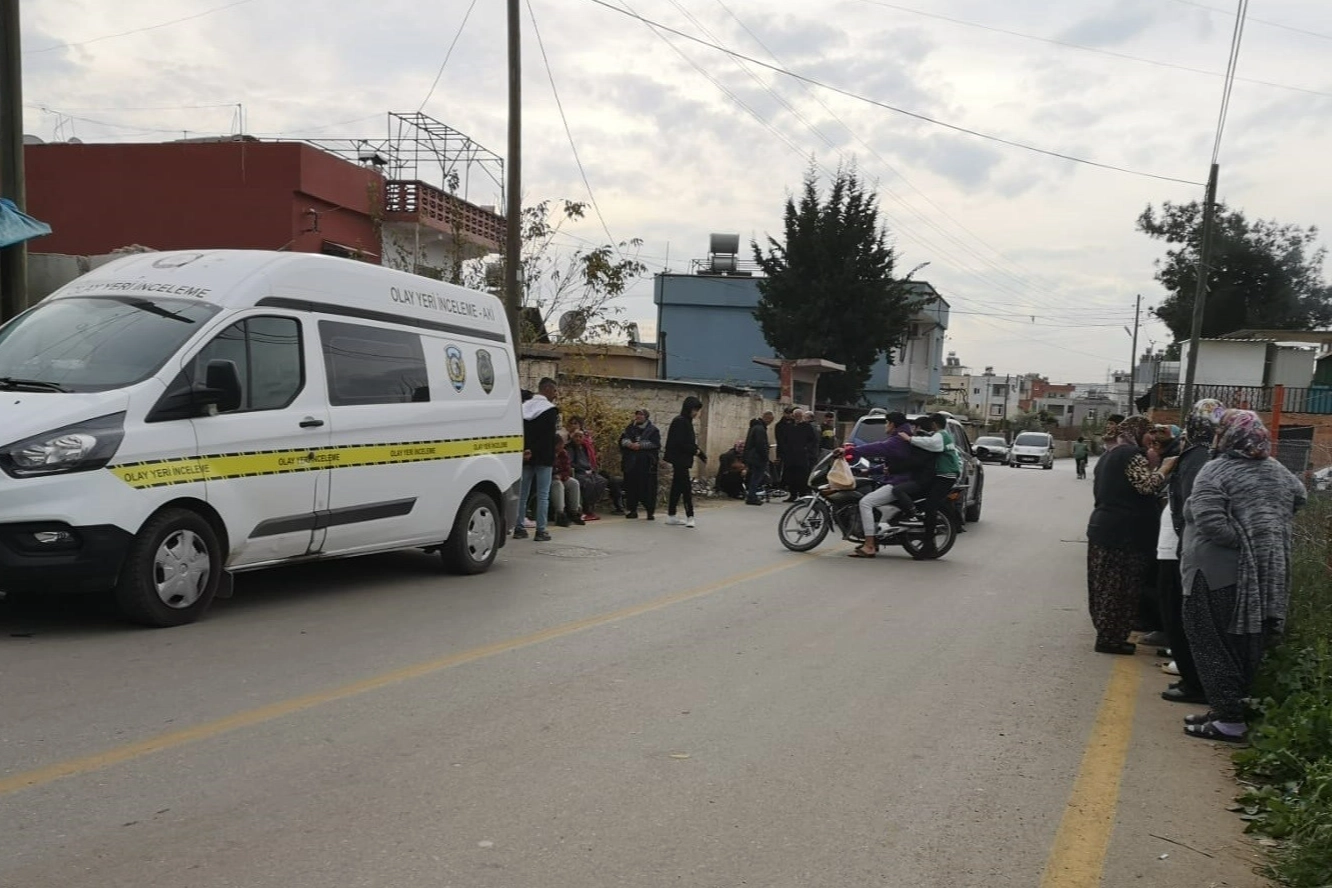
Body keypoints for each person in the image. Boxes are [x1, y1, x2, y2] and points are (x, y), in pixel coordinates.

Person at [1181, 410, 1306, 743]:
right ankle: (1226, 709)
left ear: (1228, 435)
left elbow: (1210, 522)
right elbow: (1300, 495)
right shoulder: (1277, 470)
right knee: (1244, 641)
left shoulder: (1216, 469)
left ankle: (1229, 719)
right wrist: (1265, 531)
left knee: (1211, 641)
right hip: (1265, 572)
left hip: (1216, 572)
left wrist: (1244, 539)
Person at [1158, 398, 1225, 705]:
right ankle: (1192, 679)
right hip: (1184, 546)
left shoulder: (1198, 456)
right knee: (1180, 616)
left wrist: (1185, 541)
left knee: (1183, 617)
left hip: (1185, 549)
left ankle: (1194, 683)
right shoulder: (1203, 454)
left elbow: (1189, 505)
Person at [1085, 415, 1169, 654]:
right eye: (1149, 432)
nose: (1153, 438)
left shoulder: (1109, 455)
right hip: (1124, 535)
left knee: (1104, 587)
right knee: (1120, 588)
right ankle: (1111, 639)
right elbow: (1146, 486)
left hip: (1103, 529)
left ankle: (1107, 634)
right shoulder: (1131, 454)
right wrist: (1164, 469)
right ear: (1137, 431)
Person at [839, 411, 916, 558]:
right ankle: (875, 539)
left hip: (898, 482)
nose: (885, 426)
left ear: (892, 424)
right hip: (898, 479)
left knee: (865, 502)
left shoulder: (897, 440)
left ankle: (869, 545)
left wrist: (850, 450)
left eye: (886, 423)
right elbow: (891, 464)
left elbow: (877, 447)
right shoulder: (902, 437)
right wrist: (869, 471)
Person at [905, 413, 962, 556]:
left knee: (931, 506)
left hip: (946, 476)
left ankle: (929, 543)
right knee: (926, 501)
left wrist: (910, 439)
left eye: (931, 423)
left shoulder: (941, 435)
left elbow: (931, 445)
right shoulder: (941, 435)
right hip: (943, 475)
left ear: (935, 424)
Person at [516, 378, 560, 542]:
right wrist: (534, 450)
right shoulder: (550, 410)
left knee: (522, 494)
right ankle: (541, 530)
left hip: (525, 456)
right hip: (543, 457)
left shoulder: (523, 407)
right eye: (554, 391)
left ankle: (519, 528)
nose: (555, 395)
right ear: (547, 389)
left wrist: (526, 449)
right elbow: (547, 437)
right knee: (543, 495)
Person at [664, 396, 706, 527]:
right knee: (686, 488)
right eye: (695, 410)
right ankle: (690, 516)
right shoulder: (681, 422)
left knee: (677, 488)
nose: (696, 413)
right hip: (680, 460)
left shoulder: (685, 421)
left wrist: (697, 451)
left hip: (681, 460)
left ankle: (671, 515)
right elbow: (683, 443)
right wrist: (698, 452)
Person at [565, 416, 609, 520]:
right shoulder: (570, 447)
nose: (578, 439)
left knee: (601, 481)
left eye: (580, 437)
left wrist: (591, 469)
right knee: (588, 483)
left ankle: (591, 505)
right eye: (576, 437)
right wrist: (584, 470)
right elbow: (570, 463)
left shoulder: (585, 447)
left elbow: (590, 460)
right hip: (578, 472)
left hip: (589, 471)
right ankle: (586, 508)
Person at [620, 408, 661, 519]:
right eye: (637, 414)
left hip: (647, 465)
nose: (638, 417)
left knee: (648, 488)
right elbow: (623, 440)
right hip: (631, 463)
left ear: (646, 417)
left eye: (641, 415)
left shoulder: (653, 430)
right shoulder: (630, 428)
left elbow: (655, 444)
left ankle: (649, 511)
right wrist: (630, 444)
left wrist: (641, 445)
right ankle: (632, 510)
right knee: (631, 487)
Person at [549, 430, 585, 527]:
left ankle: (574, 511)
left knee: (574, 483)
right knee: (558, 485)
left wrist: (562, 476)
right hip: (550, 479)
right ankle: (560, 513)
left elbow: (567, 469)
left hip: (562, 477)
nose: (561, 447)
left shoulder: (563, 453)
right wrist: (554, 476)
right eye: (559, 445)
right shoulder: (548, 454)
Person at [783, 409, 820, 500]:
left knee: (802, 476)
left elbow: (813, 440)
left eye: (799, 416)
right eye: (795, 416)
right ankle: (792, 494)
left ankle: (803, 494)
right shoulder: (790, 426)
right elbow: (785, 440)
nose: (797, 418)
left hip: (802, 456)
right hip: (791, 456)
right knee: (791, 476)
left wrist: (806, 448)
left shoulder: (807, 426)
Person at [743, 412, 773, 505]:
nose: (770, 423)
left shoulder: (754, 427)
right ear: (767, 418)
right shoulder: (760, 429)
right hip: (757, 457)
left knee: (754, 477)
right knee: (756, 478)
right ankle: (752, 497)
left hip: (752, 456)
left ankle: (751, 495)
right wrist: (765, 456)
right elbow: (760, 445)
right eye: (770, 420)